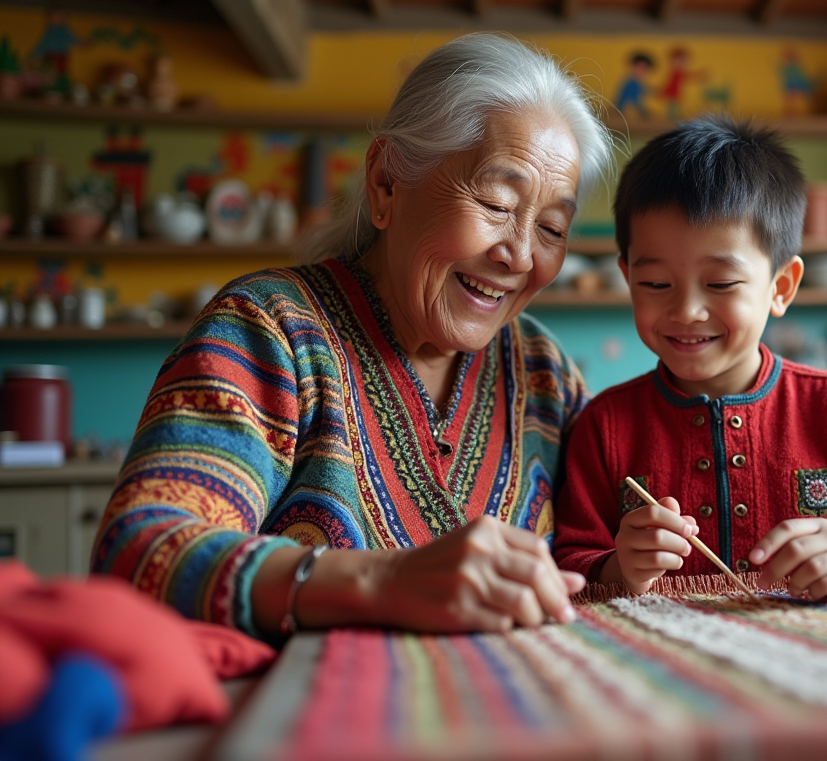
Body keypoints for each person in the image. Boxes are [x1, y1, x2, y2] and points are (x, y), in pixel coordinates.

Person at [91, 33, 615, 641]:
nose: (521, 255)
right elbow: (138, 553)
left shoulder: (542, 371)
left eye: (552, 227)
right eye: (497, 204)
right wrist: (381, 582)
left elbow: (605, 557)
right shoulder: (269, 330)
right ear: (387, 182)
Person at [553, 116, 827, 599]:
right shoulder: (604, 426)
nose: (687, 310)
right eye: (655, 284)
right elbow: (570, 561)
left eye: (720, 284)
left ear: (781, 288)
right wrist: (618, 570)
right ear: (627, 277)